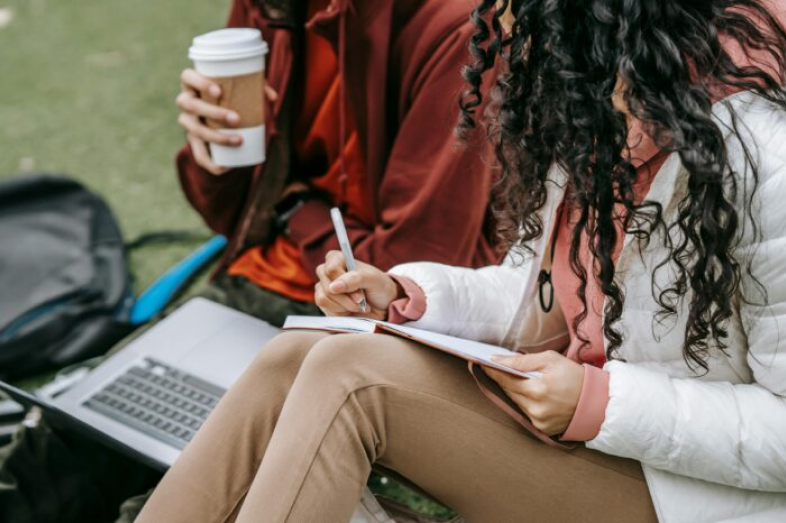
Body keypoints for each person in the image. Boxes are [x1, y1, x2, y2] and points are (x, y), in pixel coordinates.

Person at [135, 0, 786, 521]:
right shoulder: (595, 103)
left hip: (685, 490)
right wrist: (405, 295)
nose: (525, 53)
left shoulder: (762, 155)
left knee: (352, 377)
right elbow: (534, 296)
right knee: (293, 356)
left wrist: (601, 401)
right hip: (583, 429)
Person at [0, 1, 500, 522]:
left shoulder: (461, 30)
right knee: (58, 448)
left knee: (174, 503)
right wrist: (212, 156)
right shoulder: (271, 8)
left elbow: (409, 272)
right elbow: (233, 217)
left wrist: (289, 208)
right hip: (255, 279)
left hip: (358, 325)